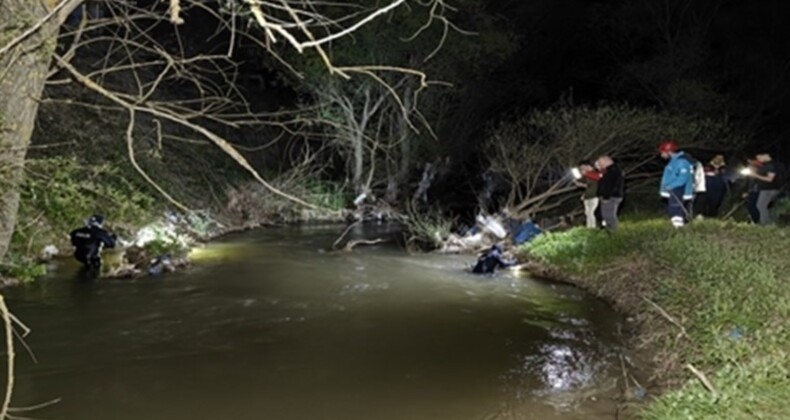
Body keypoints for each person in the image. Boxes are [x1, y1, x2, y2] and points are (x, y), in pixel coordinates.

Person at [658, 140, 696, 228]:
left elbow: (683, 177)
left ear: (668, 151)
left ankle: (679, 229)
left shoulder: (681, 162)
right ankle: (678, 227)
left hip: (678, 189)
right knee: (674, 208)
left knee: (675, 208)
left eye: (662, 152)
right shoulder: (674, 161)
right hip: (674, 188)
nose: (661, 155)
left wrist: (670, 186)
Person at [744, 153, 781, 225]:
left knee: (761, 206)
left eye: (759, 157)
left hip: (769, 189)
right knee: (761, 205)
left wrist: (755, 175)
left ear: (765, 155)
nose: (758, 159)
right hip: (765, 189)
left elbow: (769, 179)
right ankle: (764, 223)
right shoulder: (767, 165)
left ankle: (765, 224)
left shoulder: (770, 165)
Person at [595, 155, 624, 232]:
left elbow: (610, 185)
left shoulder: (613, 171)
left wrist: (606, 197)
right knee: (605, 214)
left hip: (612, 196)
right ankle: (608, 230)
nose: (600, 165)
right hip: (609, 196)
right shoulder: (608, 171)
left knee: (609, 215)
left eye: (600, 163)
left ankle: (613, 231)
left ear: (606, 161)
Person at [574, 162, 602, 228]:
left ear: (588, 166)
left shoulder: (595, 173)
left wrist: (585, 174)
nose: (582, 169)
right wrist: (579, 184)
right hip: (587, 196)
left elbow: (597, 179)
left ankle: (593, 227)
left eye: (583, 167)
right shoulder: (587, 176)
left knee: (591, 212)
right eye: (581, 168)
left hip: (594, 196)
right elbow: (587, 186)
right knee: (587, 212)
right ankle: (589, 226)